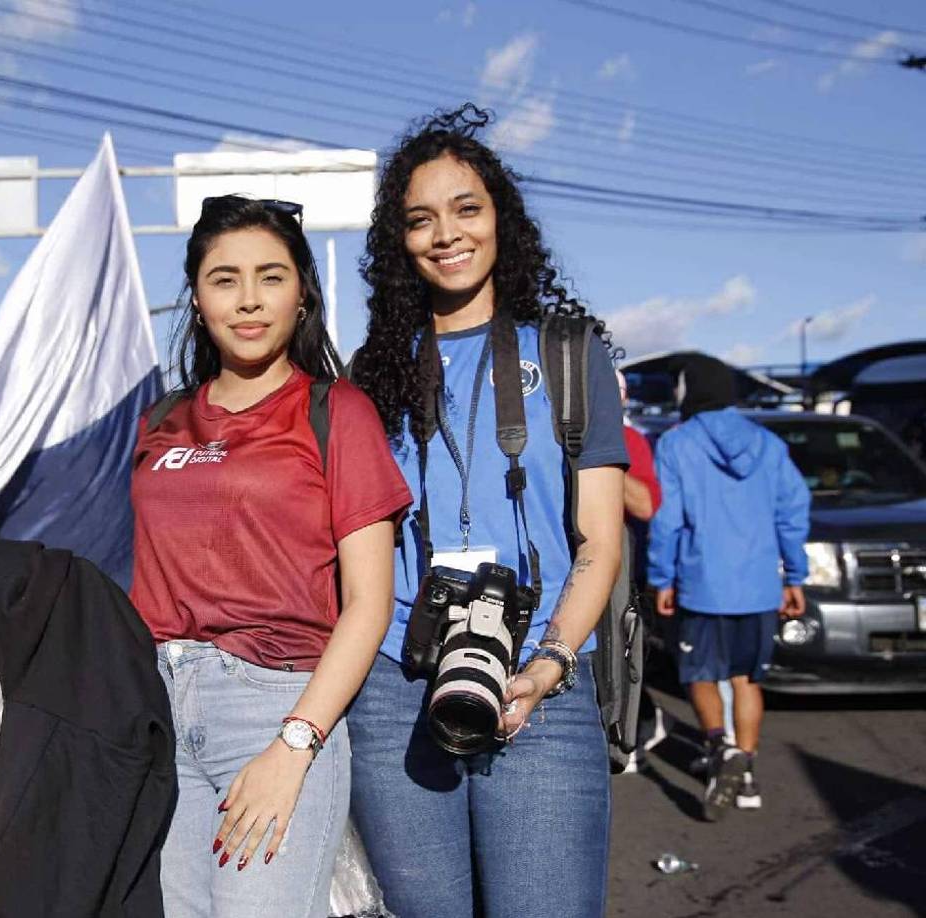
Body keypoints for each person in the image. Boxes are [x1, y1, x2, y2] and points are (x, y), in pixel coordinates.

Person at [347, 106, 628, 918]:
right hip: (398, 681)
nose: (446, 235)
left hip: (540, 667)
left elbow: (597, 543)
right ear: (398, 243)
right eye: (420, 219)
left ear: (501, 218)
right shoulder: (372, 376)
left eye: (466, 209)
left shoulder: (569, 357)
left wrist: (548, 666)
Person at [130, 195, 411, 917]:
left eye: (271, 277)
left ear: (303, 293)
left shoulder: (335, 410)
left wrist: (295, 744)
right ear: (196, 298)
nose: (248, 300)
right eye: (225, 279)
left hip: (273, 703)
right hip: (160, 705)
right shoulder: (161, 420)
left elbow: (369, 603)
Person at [648, 354, 810, 820]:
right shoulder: (768, 444)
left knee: (699, 674)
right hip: (759, 584)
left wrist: (662, 577)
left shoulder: (676, 445)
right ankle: (748, 772)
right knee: (746, 678)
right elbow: (792, 513)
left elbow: (667, 520)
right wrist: (794, 576)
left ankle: (721, 750)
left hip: (702, 582)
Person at [615, 371, 666, 773]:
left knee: (624, 649)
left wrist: (605, 460)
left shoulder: (630, 440)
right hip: (567, 558)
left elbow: (646, 505)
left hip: (622, 564)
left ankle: (637, 726)